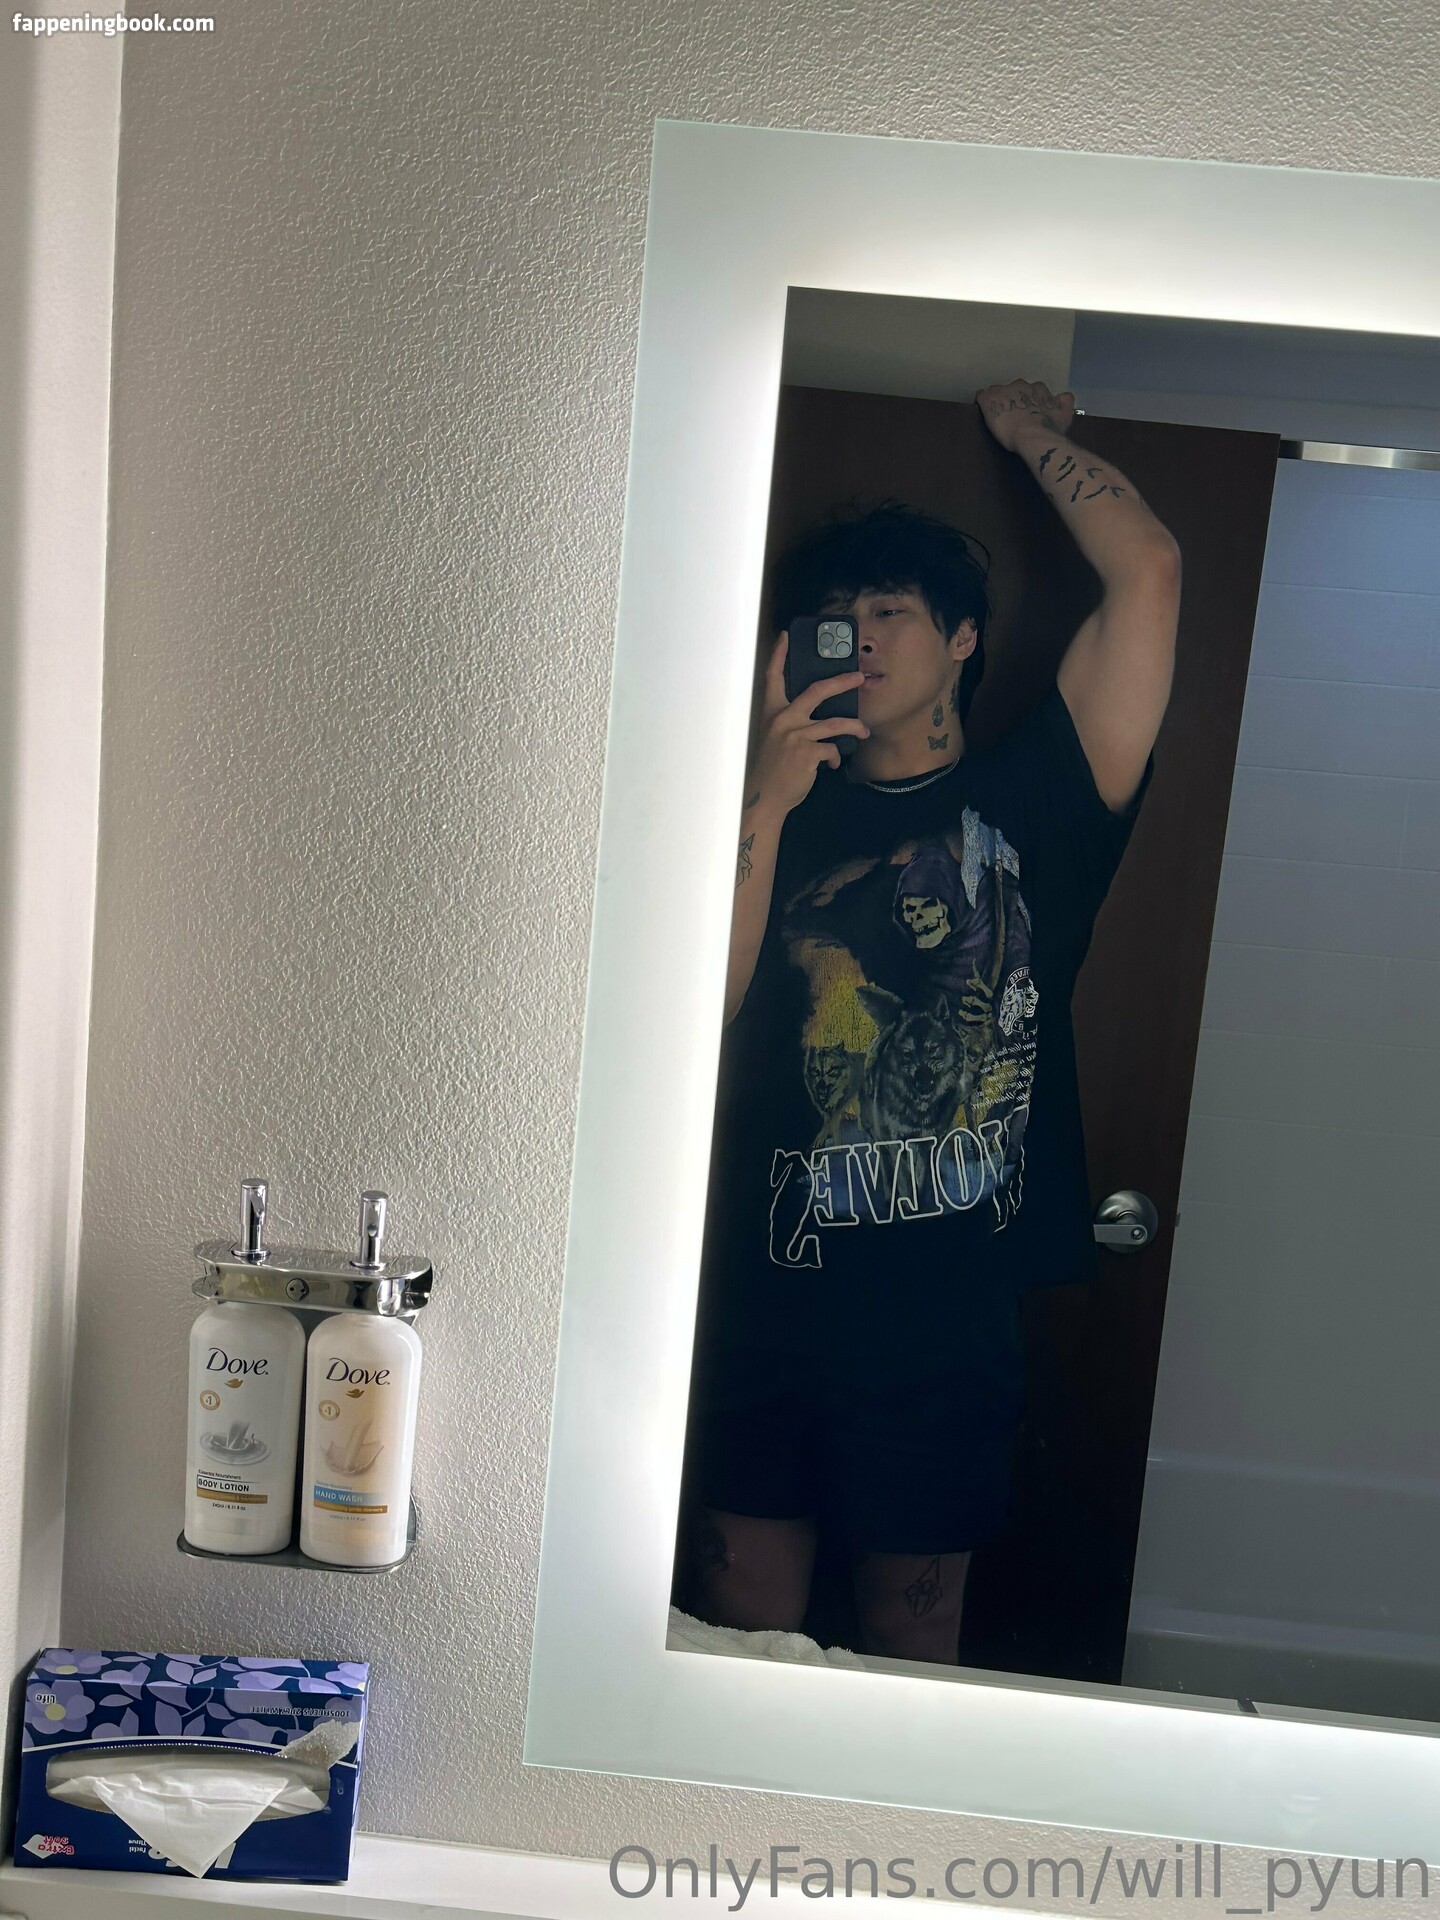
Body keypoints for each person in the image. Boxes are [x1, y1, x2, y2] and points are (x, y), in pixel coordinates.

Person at [683, 377, 1181, 1666]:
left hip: (947, 1317)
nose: (859, 637)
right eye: (834, 619)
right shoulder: (763, 808)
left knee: (914, 1650)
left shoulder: (1043, 795)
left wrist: (1028, 432)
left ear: (963, 638)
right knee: (738, 1639)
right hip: (765, 1287)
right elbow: (697, 1019)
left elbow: (1149, 573)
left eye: (890, 611)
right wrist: (763, 797)